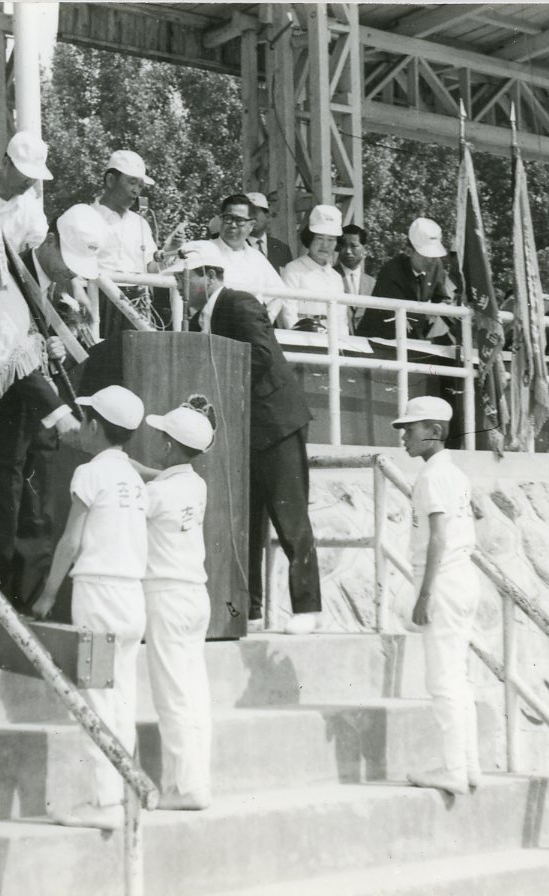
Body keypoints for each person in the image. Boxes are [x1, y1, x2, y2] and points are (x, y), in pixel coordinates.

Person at [168, 241, 321, 634]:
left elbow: (261, 356)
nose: (178, 286)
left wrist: (216, 382)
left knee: (290, 516)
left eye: (184, 278)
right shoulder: (198, 320)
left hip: (275, 424)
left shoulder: (238, 303)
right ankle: (249, 608)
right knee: (246, 522)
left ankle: (308, 608)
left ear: (210, 276)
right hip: (243, 433)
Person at [0, 206, 96, 608]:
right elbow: (9, 353)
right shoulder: (6, 276)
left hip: (37, 422)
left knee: (37, 517)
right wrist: (59, 412)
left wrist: (56, 350)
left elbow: (44, 350)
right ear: (50, 242)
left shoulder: (56, 288)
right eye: (68, 261)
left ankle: (29, 604)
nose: (70, 273)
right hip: (3, 418)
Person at [32, 385, 148, 831]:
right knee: (123, 699)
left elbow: (71, 540)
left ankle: (104, 802)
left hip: (98, 598)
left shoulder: (89, 472)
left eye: (84, 419)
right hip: (132, 599)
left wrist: (47, 594)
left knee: (97, 696)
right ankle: (123, 793)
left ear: (96, 426)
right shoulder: (133, 477)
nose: (81, 427)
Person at [392, 395, 481, 796]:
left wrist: (424, 595)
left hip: (442, 582)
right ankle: (469, 766)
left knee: (443, 680)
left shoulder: (432, 476)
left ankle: (454, 770)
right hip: (461, 580)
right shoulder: (453, 473)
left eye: (410, 430)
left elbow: (438, 537)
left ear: (435, 431)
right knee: (458, 679)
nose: (404, 437)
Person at [142, 396, 216, 811]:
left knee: (172, 696)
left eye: (162, 437)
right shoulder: (195, 484)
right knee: (194, 694)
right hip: (195, 597)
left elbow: (150, 496)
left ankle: (184, 788)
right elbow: (165, 482)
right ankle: (195, 781)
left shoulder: (157, 494)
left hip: (167, 597)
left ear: (170, 445)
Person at [92, 149, 160, 336]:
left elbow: (151, 268)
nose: (136, 190)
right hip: (98, 302)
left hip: (137, 304)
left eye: (141, 186)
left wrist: (170, 251)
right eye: (132, 182)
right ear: (111, 180)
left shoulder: (141, 224)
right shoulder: (87, 217)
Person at [359, 217, 452, 340]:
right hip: (377, 340)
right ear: (409, 252)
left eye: (434, 255)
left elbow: (441, 298)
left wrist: (452, 315)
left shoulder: (436, 265)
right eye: (426, 255)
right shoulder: (391, 272)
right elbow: (398, 318)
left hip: (409, 338)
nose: (431, 260)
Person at [209, 194, 292, 328]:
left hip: (249, 330)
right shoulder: (205, 250)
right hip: (213, 329)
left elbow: (279, 294)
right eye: (228, 218)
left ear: (251, 225)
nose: (233, 225)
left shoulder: (256, 257)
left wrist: (265, 322)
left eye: (240, 220)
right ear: (221, 220)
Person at [0, 130, 52, 253]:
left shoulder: (32, 210)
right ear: (6, 163)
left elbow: (38, 248)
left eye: (35, 176)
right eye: (26, 173)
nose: (30, 181)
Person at [281, 205, 347, 337]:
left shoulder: (336, 277)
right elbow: (288, 312)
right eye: (320, 238)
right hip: (302, 336)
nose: (325, 245)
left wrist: (342, 342)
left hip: (332, 340)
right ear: (310, 238)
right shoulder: (293, 269)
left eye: (331, 240)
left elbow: (341, 318)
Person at [246, 192, 293, 273]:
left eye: (255, 212)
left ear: (267, 216)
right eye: (246, 213)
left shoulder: (282, 249)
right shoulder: (234, 247)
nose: (250, 216)